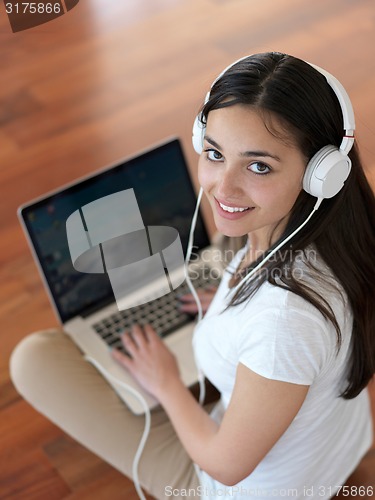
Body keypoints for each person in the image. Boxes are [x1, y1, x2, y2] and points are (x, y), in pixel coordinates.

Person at [10, 52, 375, 499]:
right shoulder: (337, 235)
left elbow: (226, 466)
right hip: (336, 449)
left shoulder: (283, 325)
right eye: (216, 153)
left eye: (259, 166)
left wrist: (166, 383)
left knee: (33, 360)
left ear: (322, 175)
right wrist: (227, 305)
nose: (223, 187)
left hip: (236, 487)